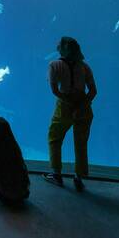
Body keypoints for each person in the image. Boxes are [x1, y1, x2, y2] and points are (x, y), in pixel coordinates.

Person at [43, 37, 97, 191]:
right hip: (84, 107)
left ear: (63, 49)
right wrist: (82, 104)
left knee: (54, 137)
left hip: (64, 106)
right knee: (81, 142)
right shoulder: (85, 67)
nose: (57, 46)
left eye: (59, 45)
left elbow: (55, 90)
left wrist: (68, 100)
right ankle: (78, 177)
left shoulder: (54, 65)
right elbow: (93, 91)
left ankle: (56, 174)